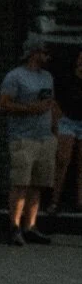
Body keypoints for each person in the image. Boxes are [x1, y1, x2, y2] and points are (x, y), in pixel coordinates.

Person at [0, 36, 58, 246]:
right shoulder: (15, 77)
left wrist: (54, 129)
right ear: (33, 53)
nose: (46, 56)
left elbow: (50, 103)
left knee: (38, 184)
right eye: (43, 52)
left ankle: (30, 226)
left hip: (44, 136)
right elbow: (4, 105)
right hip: (23, 137)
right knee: (20, 183)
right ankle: (14, 227)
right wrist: (29, 109)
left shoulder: (47, 77)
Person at [51, 47, 82, 218]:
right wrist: (57, 118)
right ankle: (55, 200)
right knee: (63, 160)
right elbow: (56, 98)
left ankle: (80, 200)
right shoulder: (67, 79)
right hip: (68, 120)